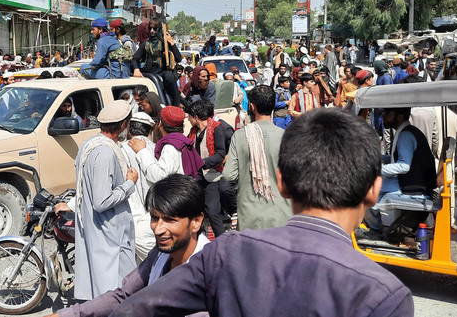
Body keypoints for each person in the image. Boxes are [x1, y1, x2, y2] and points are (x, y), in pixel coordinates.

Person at [110, 109, 414, 317]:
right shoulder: (384, 294)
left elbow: (138, 306)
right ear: (374, 190)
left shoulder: (227, 252)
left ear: (282, 183)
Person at [51, 174, 209, 317]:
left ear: (196, 221)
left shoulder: (209, 272)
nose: (158, 229)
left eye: (170, 220)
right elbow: (123, 296)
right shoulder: (160, 254)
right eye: (155, 218)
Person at [56, 100, 139, 300]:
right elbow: (101, 202)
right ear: (123, 125)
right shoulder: (105, 153)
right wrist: (129, 183)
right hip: (109, 233)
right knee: (115, 291)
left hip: (101, 230)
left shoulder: (90, 144)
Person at [360, 107, 438, 238]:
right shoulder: (407, 131)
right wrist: (378, 159)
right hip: (412, 182)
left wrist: (377, 169)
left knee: (366, 189)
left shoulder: (406, 135)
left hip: (412, 186)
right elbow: (397, 159)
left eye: (387, 113)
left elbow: (404, 166)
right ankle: (375, 225)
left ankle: (374, 230)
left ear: (400, 116)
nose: (383, 117)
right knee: (374, 188)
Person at [224, 86, 291, 230]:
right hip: (282, 215)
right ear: (273, 106)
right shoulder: (286, 137)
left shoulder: (240, 136)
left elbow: (229, 175)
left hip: (249, 216)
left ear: (252, 106)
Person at [188, 100, 235, 237]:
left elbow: (220, 154)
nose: (188, 119)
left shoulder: (216, 129)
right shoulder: (193, 132)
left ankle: (222, 241)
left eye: (189, 117)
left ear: (196, 117)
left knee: (212, 211)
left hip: (212, 174)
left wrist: (203, 163)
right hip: (197, 175)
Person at [127, 106, 203, 184]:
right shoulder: (181, 141)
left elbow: (161, 177)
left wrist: (142, 152)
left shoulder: (170, 147)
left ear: (160, 123)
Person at [118, 111, 156, 261]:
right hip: (155, 213)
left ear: (129, 128)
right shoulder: (157, 148)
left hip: (134, 217)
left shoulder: (120, 149)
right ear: (149, 131)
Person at [132, 19, 183, 106]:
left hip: (162, 74)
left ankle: (176, 105)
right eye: (150, 28)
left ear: (159, 29)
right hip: (150, 74)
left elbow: (179, 58)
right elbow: (134, 59)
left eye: (155, 29)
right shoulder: (146, 44)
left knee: (169, 76)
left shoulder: (165, 43)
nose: (152, 31)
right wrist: (136, 69)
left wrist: (171, 42)